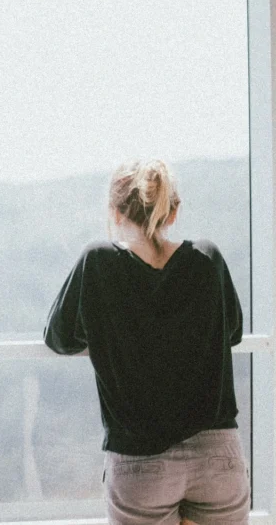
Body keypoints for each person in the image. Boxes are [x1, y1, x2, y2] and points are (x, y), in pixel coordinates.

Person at [44, 159, 249, 525]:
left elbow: (58, 338)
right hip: (217, 454)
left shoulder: (99, 261)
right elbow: (231, 332)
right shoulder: (208, 258)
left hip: (141, 462)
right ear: (173, 212)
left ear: (116, 211)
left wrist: (115, 333)